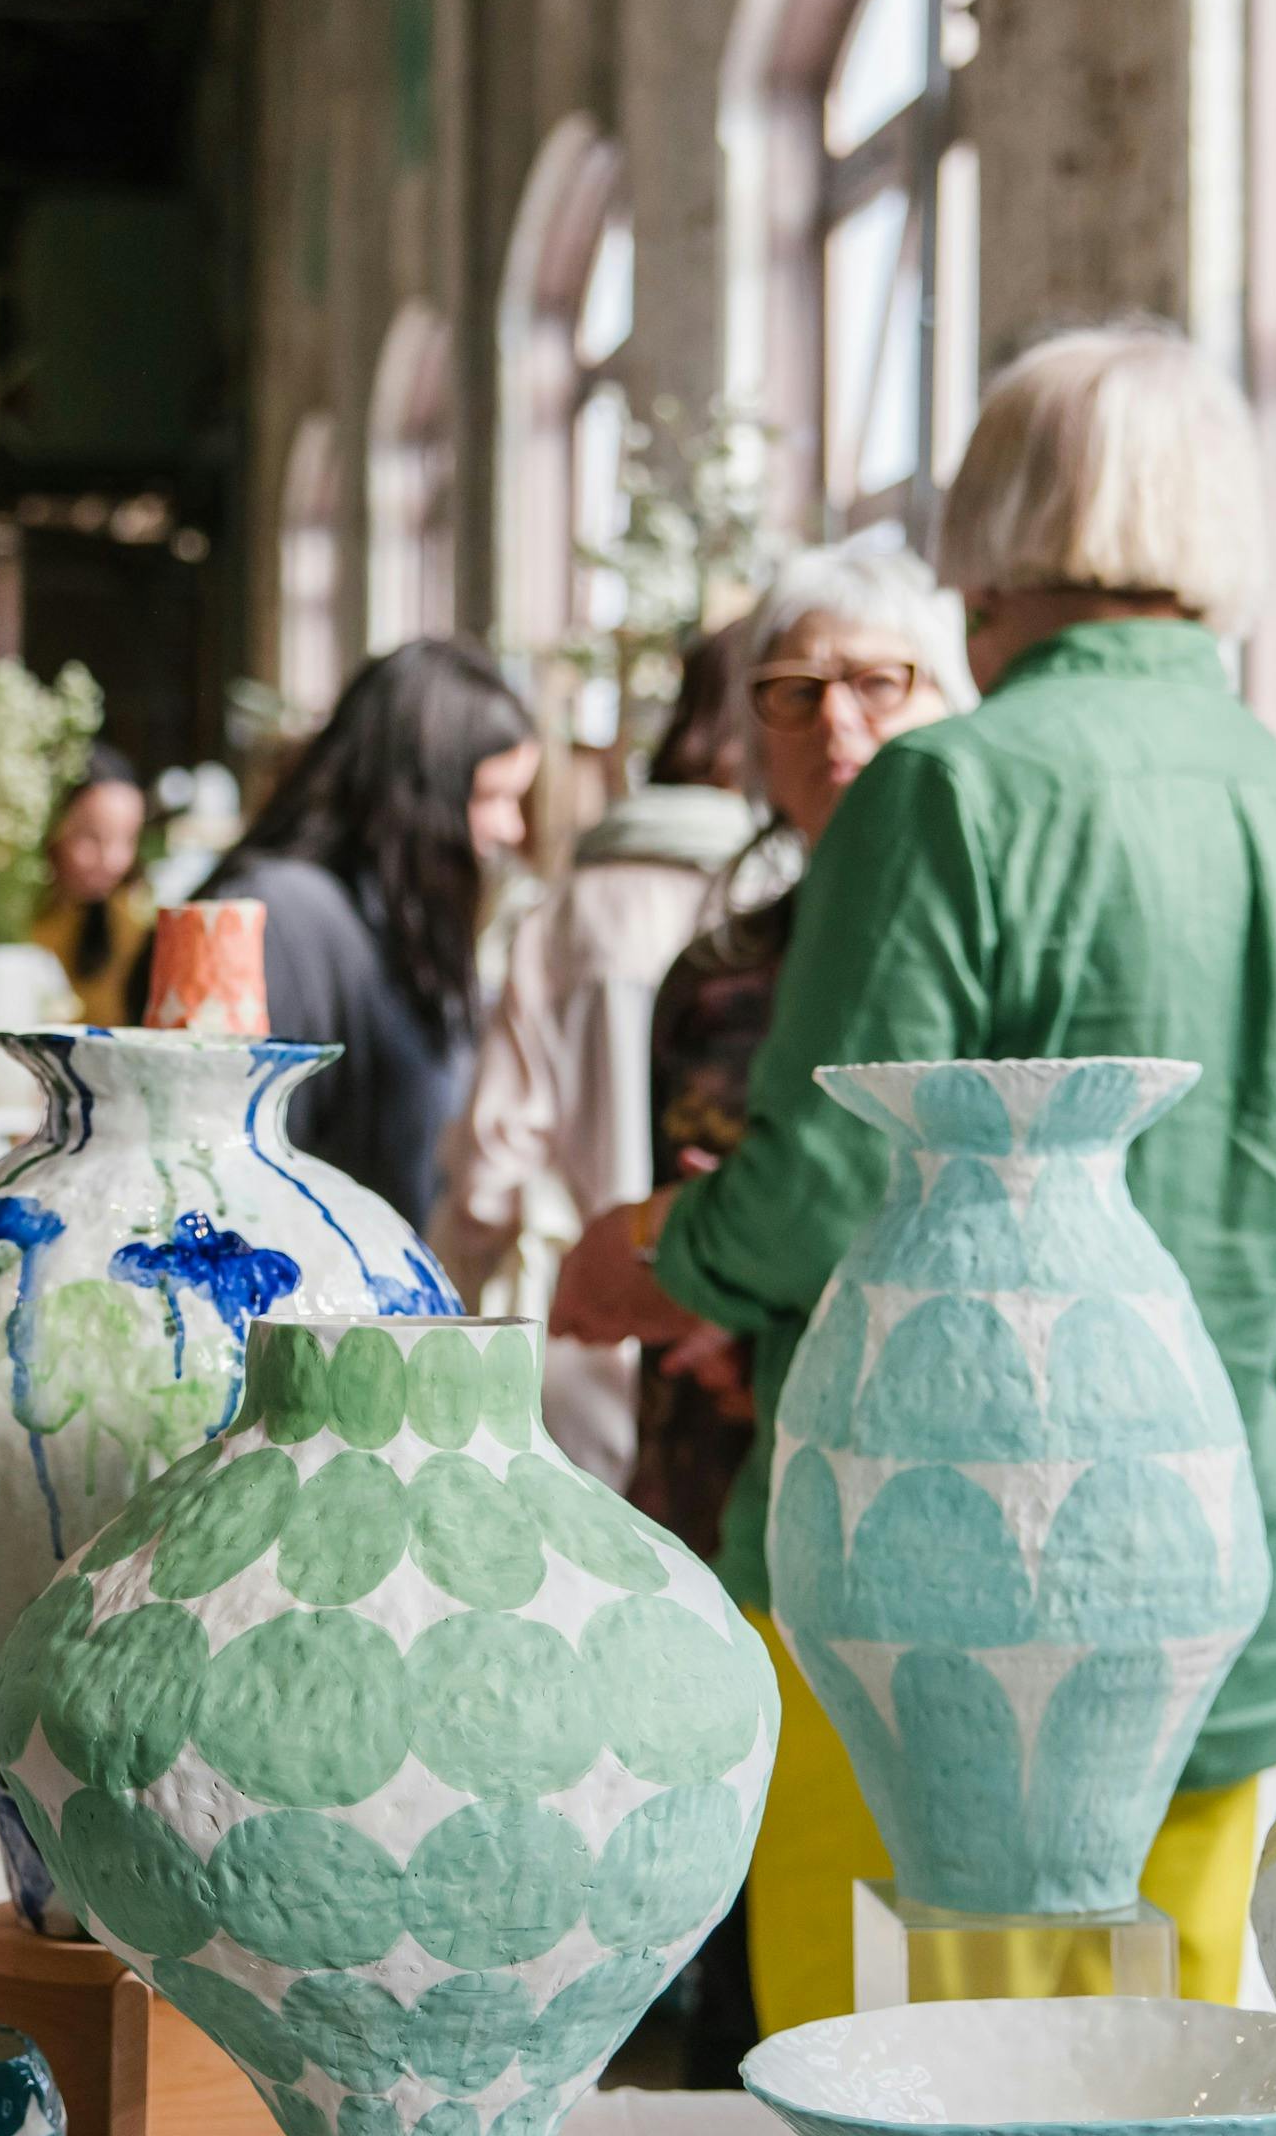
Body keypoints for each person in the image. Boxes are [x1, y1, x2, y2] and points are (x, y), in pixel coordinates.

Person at [556, 325, 1276, 2034]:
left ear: (994, 513)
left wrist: (644, 1252)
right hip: (1220, 1542)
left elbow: (817, 1187)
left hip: (928, 1571)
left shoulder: (950, 791)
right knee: (1137, 2101)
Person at [581, 547, 972, 1549]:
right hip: (711, 1468)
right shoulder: (719, 969)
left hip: (914, 1454)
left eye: (878, 682)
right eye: (793, 693)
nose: (836, 723)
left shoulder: (977, 942)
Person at [434, 631, 761, 1473]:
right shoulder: (785, 906)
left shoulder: (571, 910)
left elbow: (490, 1161)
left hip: (580, 1350)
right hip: (746, 1346)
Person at [197, 638, 541, 1229]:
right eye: (491, 797)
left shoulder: (394, 920)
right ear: (418, 792)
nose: (511, 827)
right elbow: (227, 1176)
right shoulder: (279, 914)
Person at [24, 745, 157, 1028]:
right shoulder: (11, 917)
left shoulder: (135, 921)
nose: (112, 860)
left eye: (126, 840)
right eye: (91, 838)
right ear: (51, 828)